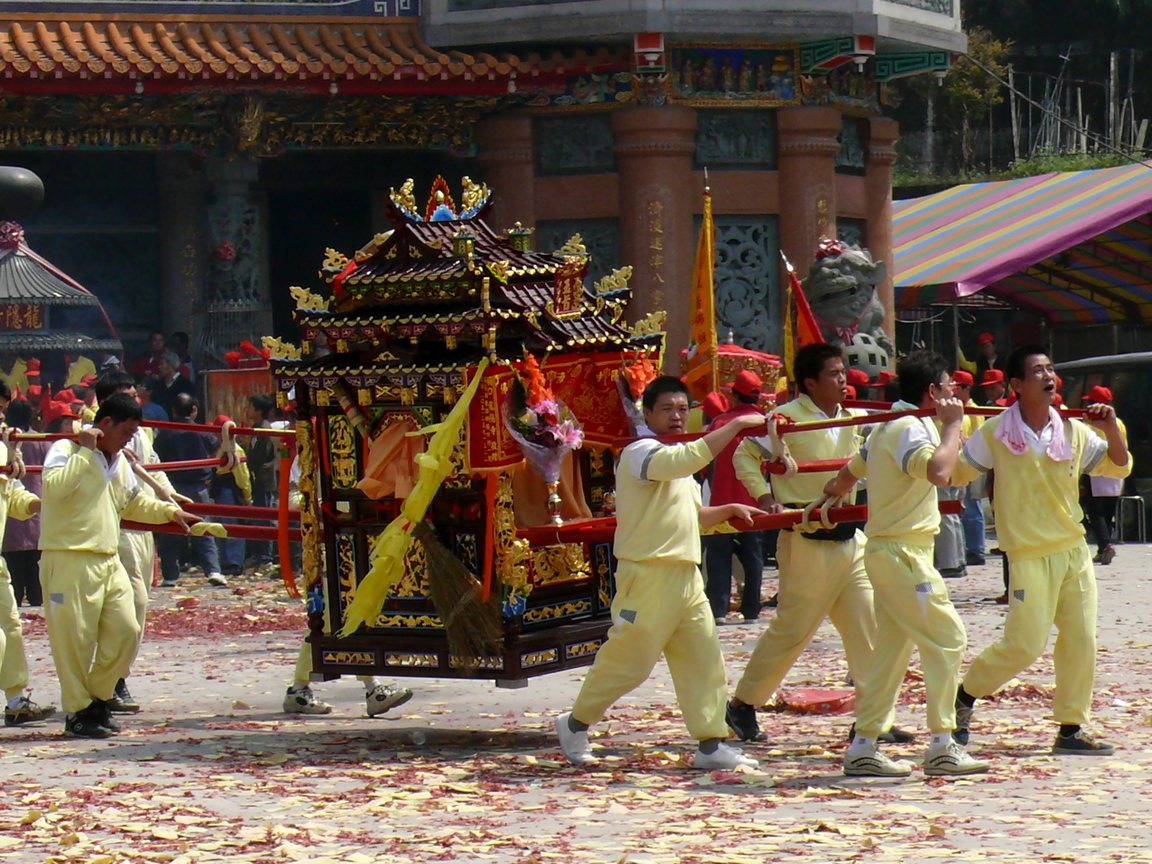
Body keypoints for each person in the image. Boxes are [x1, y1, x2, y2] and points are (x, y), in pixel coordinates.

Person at [555, 376, 766, 769]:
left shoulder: (680, 461)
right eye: (667, 409)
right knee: (629, 662)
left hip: (686, 575)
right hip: (648, 575)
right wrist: (734, 426)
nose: (676, 416)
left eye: (683, 409)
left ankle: (710, 742)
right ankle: (575, 722)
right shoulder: (640, 452)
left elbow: (690, 515)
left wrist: (728, 511)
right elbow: (682, 461)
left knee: (703, 658)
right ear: (647, 414)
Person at [725, 343, 910, 746]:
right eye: (834, 374)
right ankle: (742, 703)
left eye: (844, 372)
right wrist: (764, 497)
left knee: (869, 628)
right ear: (810, 382)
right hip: (806, 539)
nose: (843, 380)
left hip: (850, 539)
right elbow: (744, 453)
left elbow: (893, 434)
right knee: (792, 630)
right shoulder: (785, 420)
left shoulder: (856, 417)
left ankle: (874, 716)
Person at [951, 346, 1130, 756]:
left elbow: (1118, 467)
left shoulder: (1073, 429)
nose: (1048, 376)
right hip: (1026, 555)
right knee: (1024, 645)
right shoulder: (995, 431)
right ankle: (963, 696)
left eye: (1051, 368)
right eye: (1037, 371)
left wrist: (1113, 427)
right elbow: (960, 471)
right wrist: (948, 433)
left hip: (1072, 550)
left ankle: (1070, 728)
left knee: (1081, 639)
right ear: (1016, 385)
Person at [825, 351, 989, 777]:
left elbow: (847, 473)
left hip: (894, 551)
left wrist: (828, 496)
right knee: (947, 638)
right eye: (949, 386)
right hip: (901, 554)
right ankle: (942, 743)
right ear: (932, 391)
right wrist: (953, 424)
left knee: (892, 652)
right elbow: (938, 471)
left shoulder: (889, 426)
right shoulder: (909, 427)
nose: (955, 393)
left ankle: (863, 744)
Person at [41, 393, 200, 737]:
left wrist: (170, 512)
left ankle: (98, 696)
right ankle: (78, 711)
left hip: (108, 557)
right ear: (106, 423)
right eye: (127, 431)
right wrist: (86, 451)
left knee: (128, 629)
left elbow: (131, 503)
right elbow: (54, 490)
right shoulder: (65, 451)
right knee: (74, 642)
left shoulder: (120, 462)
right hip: (68, 557)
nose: (131, 439)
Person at [281, 456, 413, 717]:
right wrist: (324, 509)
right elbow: (295, 498)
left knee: (350, 614)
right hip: (335, 544)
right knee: (337, 615)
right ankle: (305, 689)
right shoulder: (309, 451)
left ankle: (368, 688)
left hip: (362, 540)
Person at [94, 370, 183, 714]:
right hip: (119, 527)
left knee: (141, 606)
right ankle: (112, 680)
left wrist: (172, 500)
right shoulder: (88, 437)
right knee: (127, 606)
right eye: (126, 396)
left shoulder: (139, 433)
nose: (134, 402)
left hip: (146, 522)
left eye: (135, 395)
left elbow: (154, 468)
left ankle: (116, 676)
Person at [0, 386, 57, 728]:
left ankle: (16, 700)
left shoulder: (5, 450)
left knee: (11, 627)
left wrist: (43, 503)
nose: (1, 417)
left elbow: (15, 496)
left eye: (3, 410)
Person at [703, 370, 766, 624]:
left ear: (734, 395)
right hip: (754, 500)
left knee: (718, 556)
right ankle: (751, 609)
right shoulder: (765, 421)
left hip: (722, 501)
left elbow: (706, 463)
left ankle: (718, 610)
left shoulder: (721, 422)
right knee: (753, 557)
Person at [154, 394, 227, 588]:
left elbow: (156, 456)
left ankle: (170, 575)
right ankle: (214, 570)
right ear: (194, 410)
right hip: (198, 487)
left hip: (172, 486)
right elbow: (217, 450)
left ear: (173, 411)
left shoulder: (165, 433)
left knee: (170, 529)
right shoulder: (201, 432)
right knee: (204, 528)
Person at [2, 400, 47, 607]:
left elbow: (17, 489)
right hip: (34, 519)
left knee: (15, 592)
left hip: (17, 521)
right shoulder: (43, 441)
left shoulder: (8, 444)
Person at [1080, 386, 1125, 565]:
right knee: (1107, 510)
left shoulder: (1089, 423)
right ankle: (1103, 547)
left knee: (1094, 511)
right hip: (1115, 472)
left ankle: (1105, 544)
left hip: (1095, 472)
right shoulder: (1118, 422)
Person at [951, 371, 987, 566]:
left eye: (958, 386)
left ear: (966, 388)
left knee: (973, 506)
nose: (955, 390)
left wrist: (963, 440)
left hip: (973, 460)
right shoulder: (959, 408)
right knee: (965, 507)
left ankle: (977, 549)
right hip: (961, 461)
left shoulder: (973, 410)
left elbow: (978, 437)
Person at [209, 414, 251, 578]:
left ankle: (234, 562)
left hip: (231, 489)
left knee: (233, 525)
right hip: (220, 489)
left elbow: (242, 476)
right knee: (220, 525)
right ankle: (225, 561)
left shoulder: (235, 450)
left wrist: (247, 496)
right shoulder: (221, 447)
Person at [245, 394, 279, 567]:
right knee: (259, 517)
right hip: (257, 480)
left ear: (258, 411)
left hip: (263, 480)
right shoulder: (256, 428)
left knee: (265, 517)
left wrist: (254, 472)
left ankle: (267, 556)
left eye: (250, 407)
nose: (247, 410)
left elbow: (260, 457)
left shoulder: (264, 429)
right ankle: (261, 554)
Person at [153, 353, 195, 418]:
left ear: (171, 365)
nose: (159, 367)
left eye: (162, 364)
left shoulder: (185, 384)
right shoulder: (159, 384)